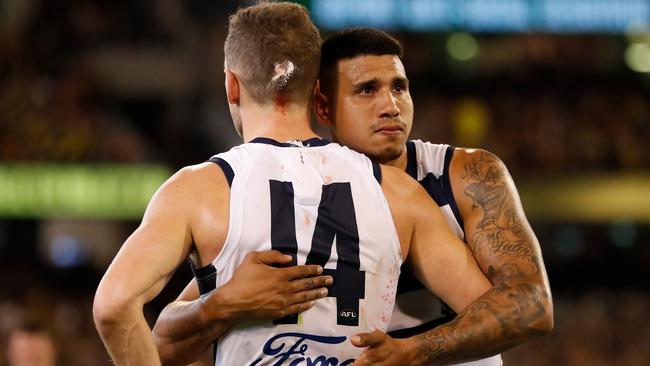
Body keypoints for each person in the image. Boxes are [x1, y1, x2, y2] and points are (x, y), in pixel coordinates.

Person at [94, 3, 490, 366]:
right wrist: (412, 351)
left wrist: (220, 304)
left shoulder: (200, 190)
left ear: (232, 84)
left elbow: (114, 307)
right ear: (317, 88)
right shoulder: (398, 191)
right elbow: (492, 313)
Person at [154, 26, 554, 366]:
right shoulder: (293, 196)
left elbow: (532, 304)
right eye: (367, 90)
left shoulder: (464, 173)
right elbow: (166, 339)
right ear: (322, 107)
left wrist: (412, 351)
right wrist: (219, 304)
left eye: (400, 87)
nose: (391, 105)